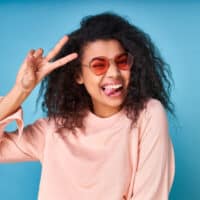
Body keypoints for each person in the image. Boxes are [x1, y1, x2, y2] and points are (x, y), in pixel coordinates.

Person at [0, 12, 175, 200]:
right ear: (78, 76)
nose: (114, 73)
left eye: (122, 62)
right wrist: (21, 91)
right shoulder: (54, 130)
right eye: (99, 65)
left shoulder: (148, 115)